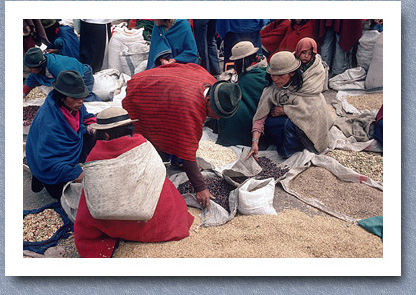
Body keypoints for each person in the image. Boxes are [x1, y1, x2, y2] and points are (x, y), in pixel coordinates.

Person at [74, 107, 194, 258]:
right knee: (163, 185)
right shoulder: (143, 144)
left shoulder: (95, 156)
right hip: (147, 221)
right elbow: (157, 172)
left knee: (87, 197)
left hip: (113, 224)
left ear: (105, 134)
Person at [122, 63, 241, 211]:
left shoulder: (210, 81)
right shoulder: (190, 107)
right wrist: (200, 187)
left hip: (162, 86)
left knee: (174, 128)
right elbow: (187, 150)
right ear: (209, 100)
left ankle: (173, 159)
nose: (216, 117)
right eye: (216, 112)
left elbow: (185, 67)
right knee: (152, 128)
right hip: (143, 90)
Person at [248, 51, 333, 160]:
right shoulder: (271, 90)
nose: (275, 79)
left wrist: (285, 110)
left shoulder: (307, 89)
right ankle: (284, 145)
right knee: (272, 122)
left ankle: (291, 150)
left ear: (292, 73)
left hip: (305, 128)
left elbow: (313, 111)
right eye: (272, 75)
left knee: (288, 124)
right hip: (284, 126)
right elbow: (260, 116)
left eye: (280, 75)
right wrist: (255, 142)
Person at [25, 70, 97, 200]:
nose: (80, 101)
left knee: (94, 134)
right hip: (49, 165)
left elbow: (86, 117)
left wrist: (92, 126)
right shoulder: (50, 123)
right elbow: (47, 160)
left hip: (67, 154)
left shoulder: (75, 106)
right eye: (75, 97)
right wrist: (76, 173)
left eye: (82, 97)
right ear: (62, 97)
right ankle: (44, 180)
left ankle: (75, 164)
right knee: (65, 195)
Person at [216, 41, 269, 147]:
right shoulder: (258, 67)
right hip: (255, 110)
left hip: (258, 113)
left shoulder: (254, 77)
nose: (235, 65)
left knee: (230, 110)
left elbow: (251, 97)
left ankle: (231, 140)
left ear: (244, 61)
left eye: (237, 62)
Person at [23, 47, 100, 101]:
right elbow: (30, 81)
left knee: (79, 97)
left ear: (40, 66)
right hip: (66, 76)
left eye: (31, 68)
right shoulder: (37, 70)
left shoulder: (58, 68)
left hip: (82, 75)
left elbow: (67, 87)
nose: (29, 70)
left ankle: (104, 107)